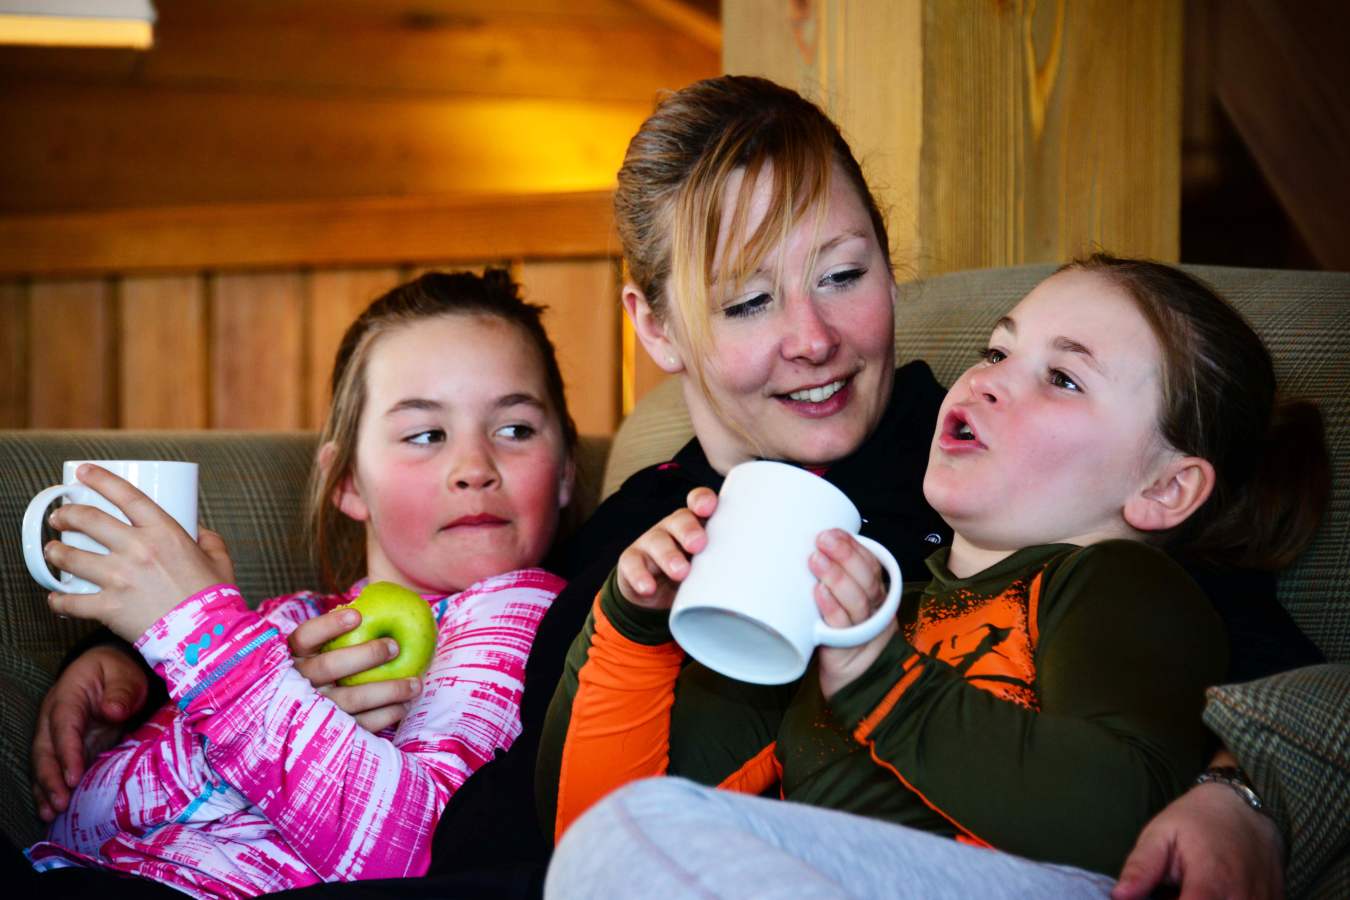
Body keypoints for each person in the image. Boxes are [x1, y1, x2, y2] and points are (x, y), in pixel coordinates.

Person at [30, 76, 1325, 899]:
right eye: (749, 299)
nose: (813, 337)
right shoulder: (622, 527)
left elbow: (1231, 642)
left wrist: (1248, 793)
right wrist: (155, 679)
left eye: (844, 270)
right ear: (655, 326)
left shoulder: (984, 469)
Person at [539, 255, 1330, 897]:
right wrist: (635, 630)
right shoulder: (882, 608)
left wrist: (882, 680)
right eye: (997, 350)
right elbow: (595, 829)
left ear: (1164, 489)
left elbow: (1126, 819)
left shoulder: (1119, 586)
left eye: (1062, 378)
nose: (985, 379)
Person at [21, 270, 578, 898]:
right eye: (426, 435)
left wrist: (204, 641)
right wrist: (234, 683)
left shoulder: (528, 615)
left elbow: (413, 851)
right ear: (346, 481)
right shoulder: (282, 622)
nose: (475, 468)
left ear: (565, 471)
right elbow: (78, 821)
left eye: (516, 430)